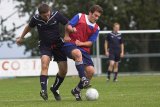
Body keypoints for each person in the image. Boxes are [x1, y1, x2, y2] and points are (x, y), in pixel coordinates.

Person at [16, 3, 69, 101]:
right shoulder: (36, 19)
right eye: (45, 15)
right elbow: (28, 27)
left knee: (63, 71)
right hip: (45, 46)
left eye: (48, 14)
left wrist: (67, 35)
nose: (47, 16)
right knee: (44, 64)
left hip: (58, 45)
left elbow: (67, 23)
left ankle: (54, 88)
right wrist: (21, 37)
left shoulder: (56, 15)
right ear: (40, 14)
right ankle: (43, 91)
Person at [63, 5, 103, 101]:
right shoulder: (80, 16)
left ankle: (76, 90)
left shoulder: (96, 28)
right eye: (95, 15)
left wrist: (81, 43)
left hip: (84, 49)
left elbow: (90, 43)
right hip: (70, 45)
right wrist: (68, 33)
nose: (96, 18)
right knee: (77, 53)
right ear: (90, 13)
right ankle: (83, 78)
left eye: (98, 16)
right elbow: (68, 25)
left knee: (91, 71)